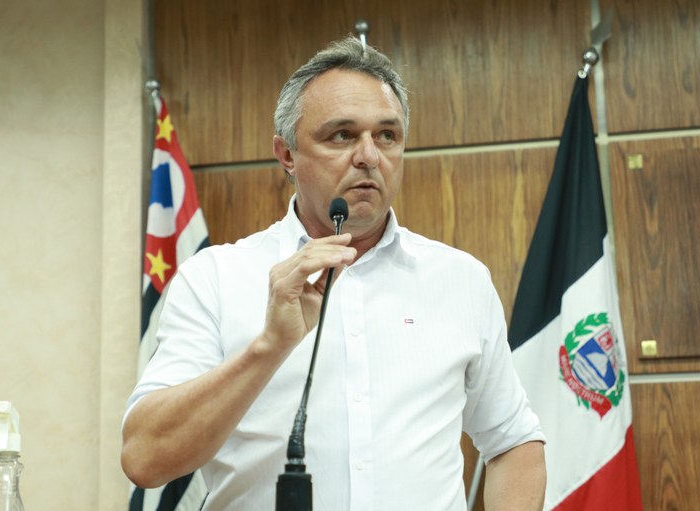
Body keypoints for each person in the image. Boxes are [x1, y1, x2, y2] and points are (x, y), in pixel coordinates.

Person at [121, 37, 546, 510]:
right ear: (287, 155)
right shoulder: (215, 279)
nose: (369, 156)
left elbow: (513, 442)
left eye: (387, 135)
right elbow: (145, 458)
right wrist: (269, 346)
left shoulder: (460, 279)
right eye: (342, 135)